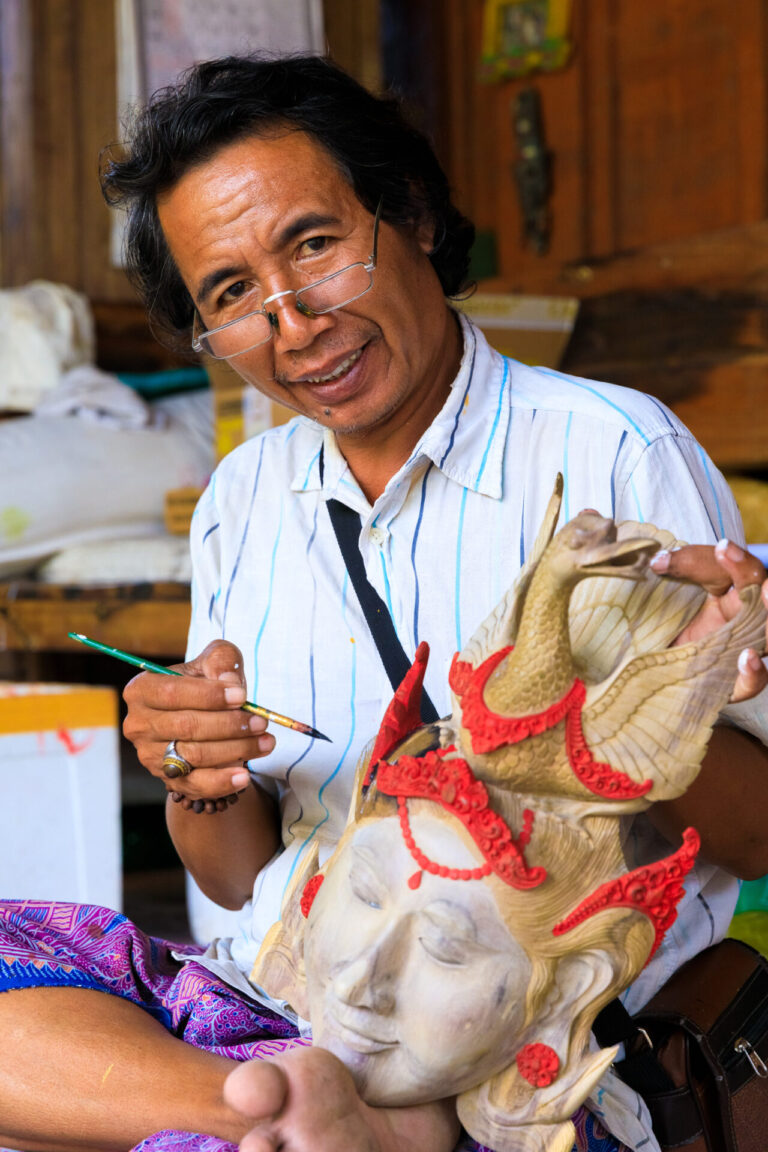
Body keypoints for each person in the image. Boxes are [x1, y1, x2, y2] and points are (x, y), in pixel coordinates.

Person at [0, 53, 767, 1152]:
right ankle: (303, 1109)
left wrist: (622, 719)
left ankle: (291, 1118)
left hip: (536, 1049)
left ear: (406, 215)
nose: (292, 319)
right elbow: (234, 873)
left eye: (313, 244)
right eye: (231, 295)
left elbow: (758, 831)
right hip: (299, 1007)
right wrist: (198, 772)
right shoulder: (243, 497)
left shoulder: (614, 448)